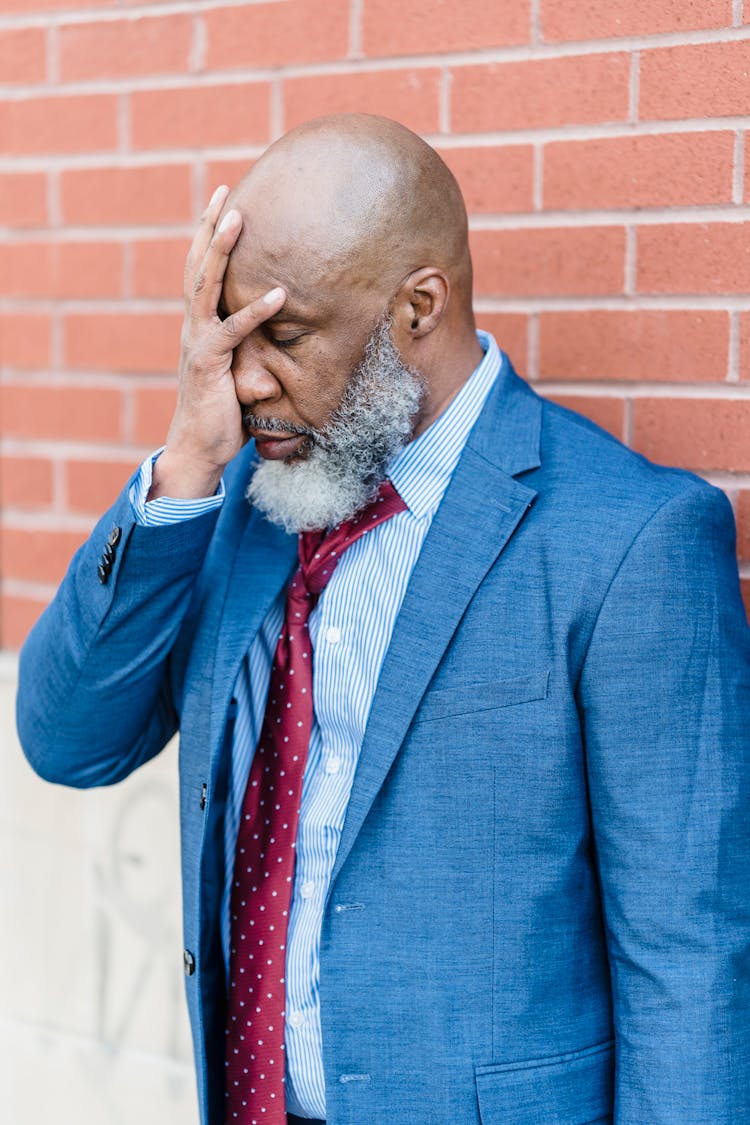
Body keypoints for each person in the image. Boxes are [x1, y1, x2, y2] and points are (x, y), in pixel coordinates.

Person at [16, 113, 750, 1125]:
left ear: (417, 307)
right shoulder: (235, 511)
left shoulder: (631, 541)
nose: (244, 377)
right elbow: (68, 741)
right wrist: (185, 466)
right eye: (228, 332)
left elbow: (688, 959)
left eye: (284, 334)